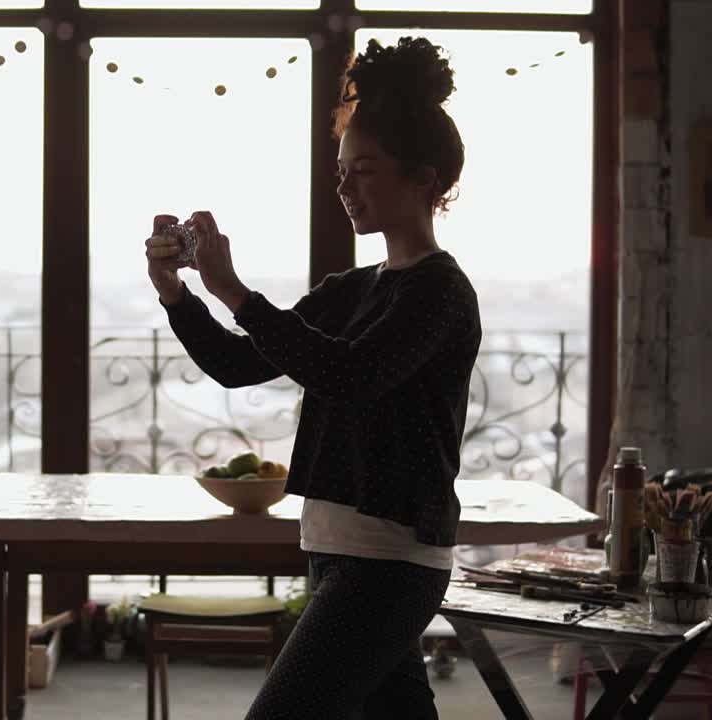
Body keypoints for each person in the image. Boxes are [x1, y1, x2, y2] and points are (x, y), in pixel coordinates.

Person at [144, 36, 481, 719]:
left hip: (389, 563)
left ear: (423, 177)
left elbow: (351, 374)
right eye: (340, 171)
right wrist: (178, 297)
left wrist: (235, 291)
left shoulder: (440, 292)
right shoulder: (350, 289)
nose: (344, 187)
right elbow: (241, 365)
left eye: (364, 169)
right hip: (336, 549)